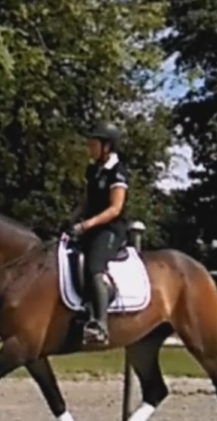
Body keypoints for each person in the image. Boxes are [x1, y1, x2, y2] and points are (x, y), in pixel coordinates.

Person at [69, 121, 130, 346]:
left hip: (111, 229)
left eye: (94, 144)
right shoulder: (93, 170)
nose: (90, 148)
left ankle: (101, 325)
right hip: (91, 226)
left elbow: (115, 209)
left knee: (94, 266)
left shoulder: (118, 172)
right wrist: (71, 219)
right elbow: (87, 201)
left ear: (107, 146)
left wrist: (86, 225)